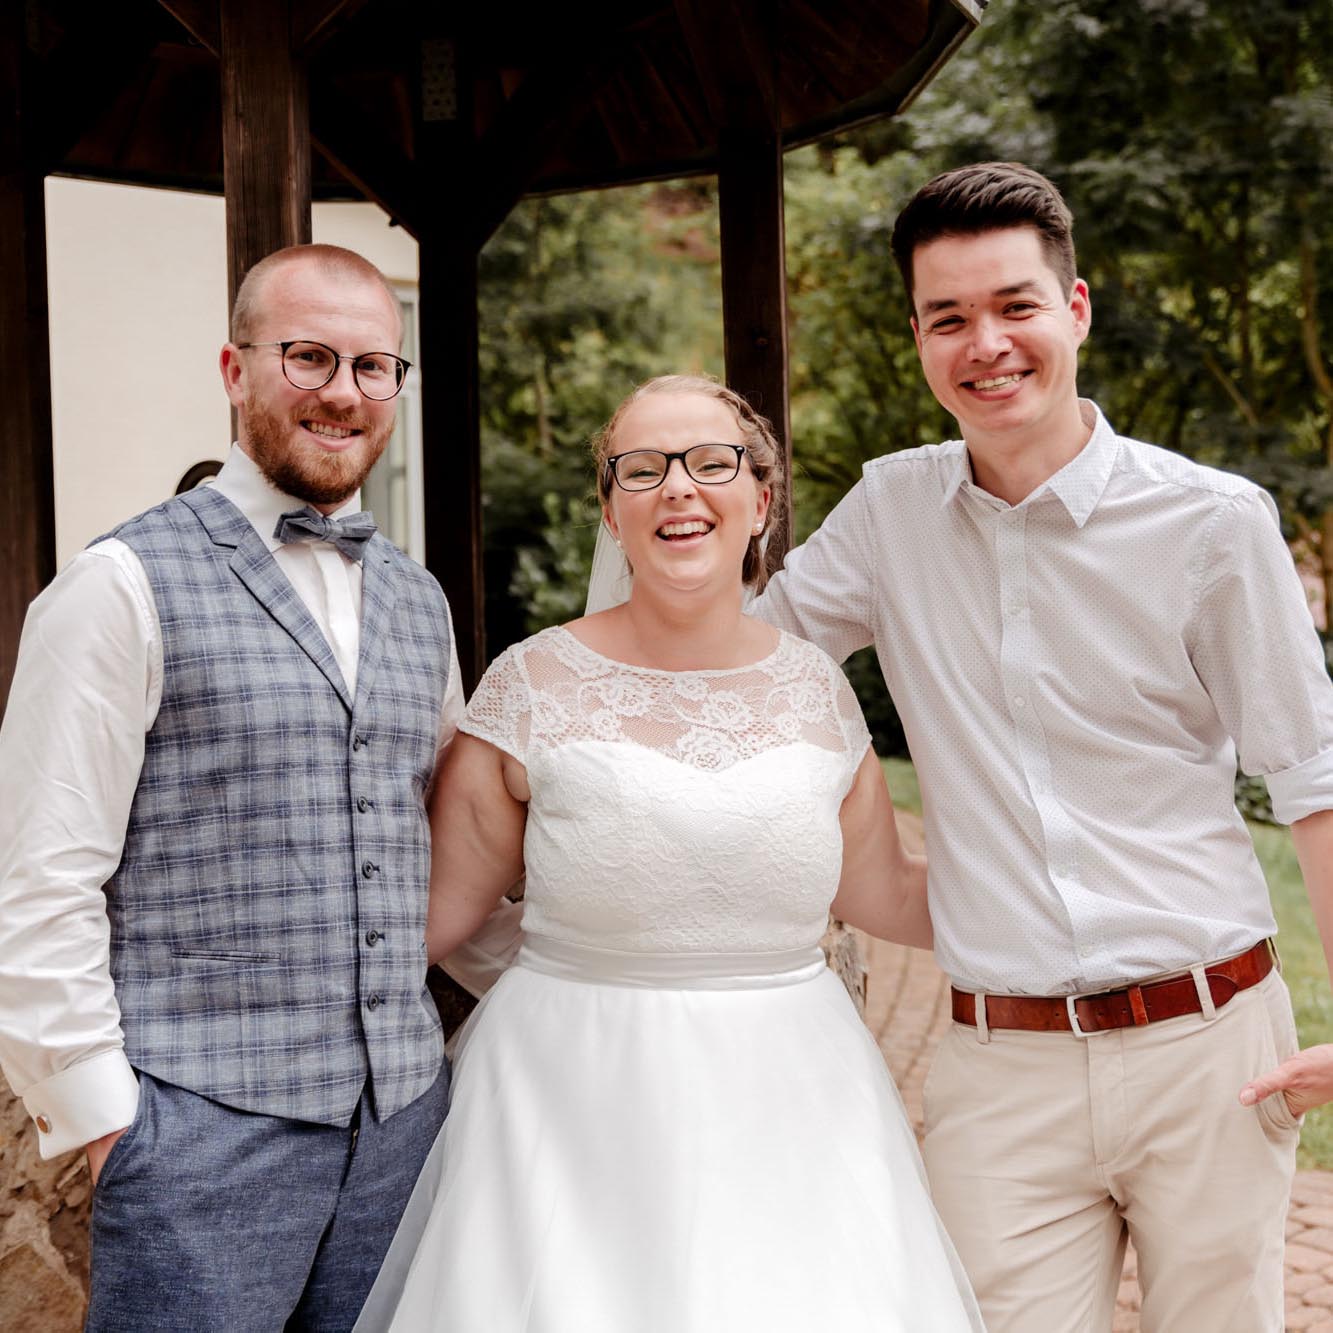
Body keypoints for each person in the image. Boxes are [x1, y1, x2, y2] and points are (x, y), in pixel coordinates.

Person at [746, 162, 1333, 1332]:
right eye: (948, 317)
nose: (986, 344)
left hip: (1210, 1044)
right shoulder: (888, 513)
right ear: (916, 336)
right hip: (995, 1059)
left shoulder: (1212, 522)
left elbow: (1312, 779)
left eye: (1015, 305)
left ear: (1074, 309)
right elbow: (747, 662)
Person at [354, 375, 984, 1331]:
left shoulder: (817, 689)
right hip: (567, 1103)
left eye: (710, 462)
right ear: (611, 510)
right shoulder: (529, 684)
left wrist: (1072, 901)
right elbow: (430, 919)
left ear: (761, 500)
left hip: (794, 1101)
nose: (677, 488)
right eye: (641, 469)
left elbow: (886, 892)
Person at [0, 243, 464, 1331]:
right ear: (234, 368)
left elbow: (437, 842)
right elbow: (41, 874)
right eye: (308, 356)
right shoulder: (117, 586)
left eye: (372, 366)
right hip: (196, 1142)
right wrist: (109, 1120)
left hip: (399, 1135)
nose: (342, 392)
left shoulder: (420, 600)